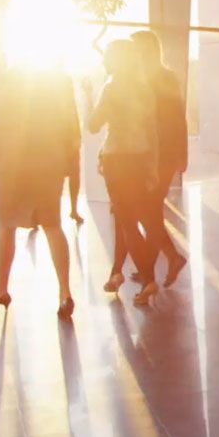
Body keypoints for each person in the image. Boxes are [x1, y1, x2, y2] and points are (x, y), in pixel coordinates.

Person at [0, 70, 81, 318]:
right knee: (53, 226)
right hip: (49, 166)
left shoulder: (9, 92)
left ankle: (1, 289)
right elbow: (71, 134)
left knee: (6, 226)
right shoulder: (57, 95)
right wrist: (65, 164)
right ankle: (65, 292)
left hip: (14, 167)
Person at [87, 37, 163, 307]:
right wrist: (152, 167)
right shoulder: (144, 89)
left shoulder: (111, 88)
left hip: (117, 160)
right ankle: (117, 273)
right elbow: (152, 132)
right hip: (140, 159)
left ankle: (149, 278)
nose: (104, 59)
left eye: (107, 55)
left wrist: (87, 96)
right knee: (125, 218)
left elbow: (93, 125)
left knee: (127, 222)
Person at [132, 30, 188, 284]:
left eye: (137, 48)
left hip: (162, 153)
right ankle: (149, 266)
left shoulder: (164, 78)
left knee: (147, 209)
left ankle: (169, 258)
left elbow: (178, 117)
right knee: (150, 209)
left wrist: (181, 155)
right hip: (147, 152)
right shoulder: (141, 78)